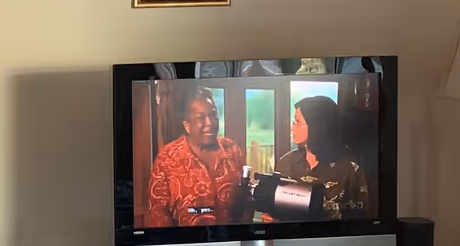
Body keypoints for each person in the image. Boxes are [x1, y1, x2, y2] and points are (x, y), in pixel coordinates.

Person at [145, 88, 248, 227]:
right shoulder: (167, 159)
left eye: (213, 115)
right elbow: (158, 215)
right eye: (201, 117)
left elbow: (245, 200)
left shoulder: (232, 150)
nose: (210, 123)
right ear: (187, 125)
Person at [273, 95, 368, 218]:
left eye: (297, 122)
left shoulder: (349, 168)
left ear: (317, 125)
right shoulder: (286, 162)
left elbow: (362, 216)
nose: (292, 128)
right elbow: (273, 205)